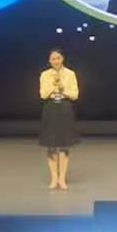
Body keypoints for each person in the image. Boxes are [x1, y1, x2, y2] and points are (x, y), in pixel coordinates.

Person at [38, 48, 80, 189]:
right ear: (49, 60)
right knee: (51, 144)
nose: (55, 61)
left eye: (58, 58)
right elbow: (43, 94)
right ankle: (54, 178)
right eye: (53, 58)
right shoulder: (45, 74)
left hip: (65, 107)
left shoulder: (70, 74)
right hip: (50, 108)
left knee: (64, 144)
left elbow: (75, 94)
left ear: (63, 59)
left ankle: (62, 178)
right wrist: (53, 85)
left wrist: (63, 89)